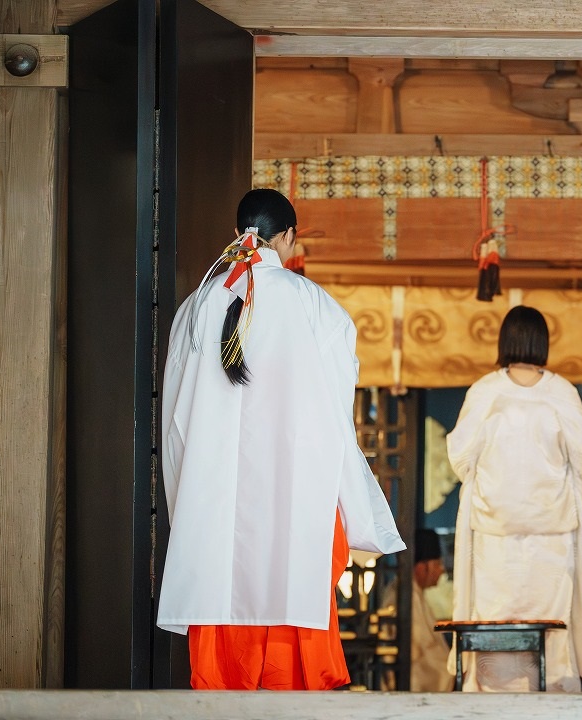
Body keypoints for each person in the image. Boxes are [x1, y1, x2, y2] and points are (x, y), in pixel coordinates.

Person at [158, 188, 406, 690]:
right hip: (296, 501)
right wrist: (353, 504)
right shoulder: (319, 309)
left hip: (213, 505)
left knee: (218, 616)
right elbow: (337, 419)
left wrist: (182, 500)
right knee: (292, 601)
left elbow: (175, 422)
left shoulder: (196, 307)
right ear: (289, 237)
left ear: (238, 233)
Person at [445, 305, 582, 692]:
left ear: (505, 340)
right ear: (542, 343)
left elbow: (460, 457)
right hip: (550, 536)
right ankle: (551, 696)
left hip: (494, 535)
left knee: (495, 616)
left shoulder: (486, 390)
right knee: (549, 619)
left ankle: (490, 699)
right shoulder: (561, 392)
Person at [394, 529, 456, 692]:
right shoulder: (406, 596)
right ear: (421, 567)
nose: (442, 570)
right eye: (437, 564)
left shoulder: (414, 592)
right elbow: (418, 650)